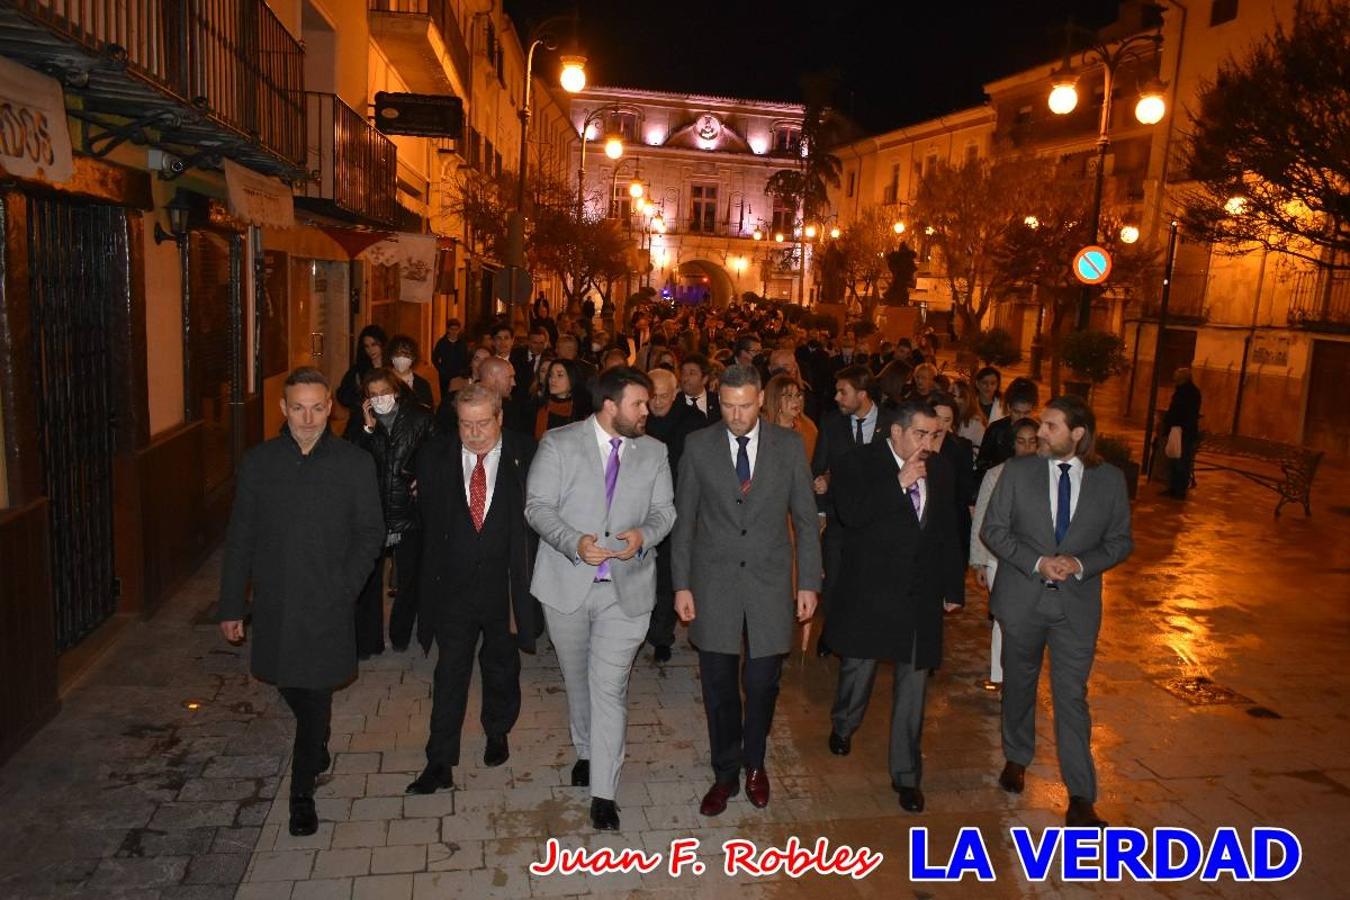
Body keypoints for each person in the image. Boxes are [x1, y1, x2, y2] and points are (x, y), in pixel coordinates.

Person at [218, 367, 384, 837]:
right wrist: (233, 604)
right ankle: (319, 748)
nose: (307, 418)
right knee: (291, 685)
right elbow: (241, 538)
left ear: (330, 406)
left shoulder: (354, 463)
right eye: (297, 408)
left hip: (329, 602)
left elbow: (370, 533)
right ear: (282, 409)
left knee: (313, 694)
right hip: (277, 603)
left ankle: (301, 794)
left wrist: (345, 587)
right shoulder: (260, 463)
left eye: (316, 407)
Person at [524, 366, 676, 831]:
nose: (646, 411)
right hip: (567, 586)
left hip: (626, 592)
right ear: (610, 406)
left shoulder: (654, 452)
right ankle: (587, 750)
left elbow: (664, 511)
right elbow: (537, 507)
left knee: (609, 688)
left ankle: (603, 792)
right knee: (578, 681)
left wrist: (642, 536)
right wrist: (574, 542)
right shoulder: (559, 443)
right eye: (638, 404)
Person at [672, 365, 821, 816]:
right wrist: (681, 585)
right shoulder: (698, 446)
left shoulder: (790, 446)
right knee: (718, 687)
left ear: (761, 401)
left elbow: (805, 522)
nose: (736, 415)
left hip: (770, 584)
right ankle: (724, 773)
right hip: (713, 583)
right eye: (728, 406)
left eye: (745, 406)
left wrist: (809, 582)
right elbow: (685, 522)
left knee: (761, 685)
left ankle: (755, 764)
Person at [981, 395, 1134, 829]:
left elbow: (1121, 541)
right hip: (1023, 598)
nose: (1039, 433)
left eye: (1050, 426)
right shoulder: (1017, 471)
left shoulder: (1109, 481)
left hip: (1076, 606)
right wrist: (1037, 561)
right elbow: (993, 530)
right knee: (1019, 684)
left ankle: (1082, 794)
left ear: (1078, 434)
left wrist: (1082, 564)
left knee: (1071, 697)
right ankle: (1016, 757)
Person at [823, 400, 965, 814]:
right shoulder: (857, 463)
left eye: (935, 435)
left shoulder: (941, 469)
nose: (929, 444)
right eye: (922, 434)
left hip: (919, 594)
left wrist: (952, 587)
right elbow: (849, 515)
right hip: (871, 591)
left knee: (914, 685)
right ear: (896, 432)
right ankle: (844, 724)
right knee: (859, 668)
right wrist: (897, 483)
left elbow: (947, 531)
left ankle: (906, 776)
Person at [407, 384, 539, 795]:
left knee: (501, 665)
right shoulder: (435, 457)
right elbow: (423, 524)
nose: (475, 433)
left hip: (504, 586)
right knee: (450, 671)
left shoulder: (527, 454)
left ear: (499, 417)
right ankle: (439, 760)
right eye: (466, 424)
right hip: (454, 588)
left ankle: (497, 730)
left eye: (483, 423)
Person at [352, 367, 436, 656]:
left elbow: (437, 455)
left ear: (396, 391)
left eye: (384, 392)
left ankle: (400, 634)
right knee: (368, 579)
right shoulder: (363, 423)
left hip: (408, 511)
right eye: (372, 395)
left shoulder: (421, 418)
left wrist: (424, 479)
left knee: (409, 578)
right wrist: (366, 428)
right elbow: (350, 460)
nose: (379, 399)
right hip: (372, 512)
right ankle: (368, 640)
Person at [811, 364, 891, 657]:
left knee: (869, 582)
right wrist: (820, 511)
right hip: (838, 518)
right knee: (833, 581)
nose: (836, 397)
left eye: (842, 392)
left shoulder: (891, 424)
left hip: (878, 523)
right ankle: (830, 636)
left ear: (862, 393)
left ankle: (865, 635)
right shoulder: (832, 423)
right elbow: (818, 468)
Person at [969, 417, 1040, 691]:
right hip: (998, 559)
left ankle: (1023, 673)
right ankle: (999, 675)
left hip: (1033, 560)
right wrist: (978, 561)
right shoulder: (997, 473)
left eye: (1033, 441)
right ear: (1013, 444)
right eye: (1021, 441)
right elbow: (982, 520)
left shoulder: (1048, 474)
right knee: (1002, 616)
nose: (1027, 447)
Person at [642, 367, 700, 663]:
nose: (658, 403)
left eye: (665, 396)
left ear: (676, 394)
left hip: (677, 510)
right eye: (653, 396)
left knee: (667, 575)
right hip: (640, 510)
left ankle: (661, 635)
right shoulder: (638, 419)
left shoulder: (693, 423)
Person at [930, 391, 977, 559]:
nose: (940, 425)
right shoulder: (915, 443)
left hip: (951, 523)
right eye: (936, 417)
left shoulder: (962, 447)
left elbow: (965, 488)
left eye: (947, 420)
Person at [976, 376, 1039, 481]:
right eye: (1017, 412)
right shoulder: (996, 430)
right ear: (1009, 408)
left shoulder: (1039, 432)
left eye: (1026, 413)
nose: (1021, 417)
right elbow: (981, 464)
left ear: (1032, 409)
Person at [337, 325, 388, 438]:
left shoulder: (392, 368)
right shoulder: (358, 370)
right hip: (361, 423)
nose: (371, 350)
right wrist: (360, 400)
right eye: (367, 346)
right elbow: (343, 396)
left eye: (374, 344)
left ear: (382, 344)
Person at [1162, 367, 1202, 500]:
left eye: (1176, 378)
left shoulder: (1189, 393)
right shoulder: (1184, 392)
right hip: (1179, 430)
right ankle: (1174, 488)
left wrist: (1172, 424)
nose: (1174, 380)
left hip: (1184, 431)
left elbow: (1182, 412)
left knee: (1182, 461)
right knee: (1174, 459)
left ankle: (1179, 490)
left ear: (1183, 379)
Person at [764, 372, 818, 460]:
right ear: (775, 399)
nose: (796, 401)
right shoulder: (762, 430)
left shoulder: (808, 428)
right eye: (789, 396)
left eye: (797, 395)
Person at [534, 359, 592, 439]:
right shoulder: (538, 407)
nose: (553, 380)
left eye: (560, 375)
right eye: (551, 375)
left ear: (572, 378)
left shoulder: (582, 412)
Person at [386, 335, 436, 412]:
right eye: (398, 354)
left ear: (413, 357)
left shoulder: (423, 385)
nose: (402, 358)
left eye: (406, 355)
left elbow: (429, 412)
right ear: (391, 356)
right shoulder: (383, 381)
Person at [512, 326, 552, 404]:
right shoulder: (516, 356)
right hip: (518, 401)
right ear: (528, 342)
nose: (538, 346)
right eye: (535, 343)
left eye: (541, 343)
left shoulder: (549, 358)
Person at [431, 318, 470, 397]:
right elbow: (434, 358)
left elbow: (467, 357)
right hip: (445, 376)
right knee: (445, 395)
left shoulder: (462, 343)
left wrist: (464, 370)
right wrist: (441, 370)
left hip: (459, 375)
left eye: (456, 329)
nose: (454, 332)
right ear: (448, 329)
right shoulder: (442, 343)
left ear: (459, 330)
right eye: (452, 329)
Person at [677, 353, 720, 424]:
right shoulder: (675, 402)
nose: (685, 378)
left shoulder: (717, 402)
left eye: (692, 373)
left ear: (704, 379)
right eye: (683, 373)